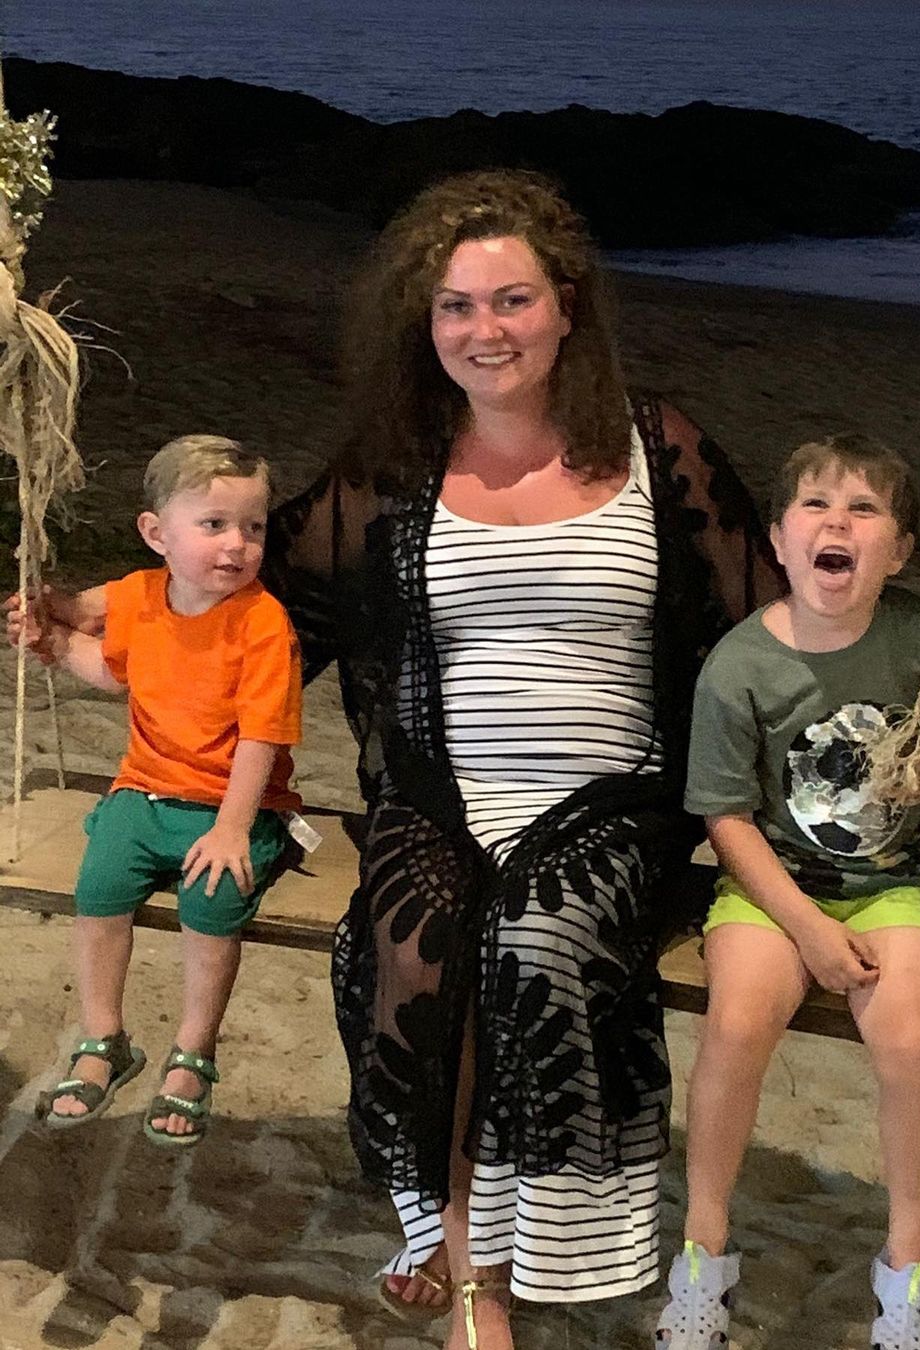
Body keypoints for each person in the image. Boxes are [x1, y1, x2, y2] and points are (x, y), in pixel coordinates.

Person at [261, 169, 783, 1350]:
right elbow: (268, 610)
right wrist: (105, 629)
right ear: (423, 322)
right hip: (438, 796)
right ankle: (453, 1251)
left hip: (615, 806)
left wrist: (915, 721)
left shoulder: (659, 448)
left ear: (566, 307)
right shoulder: (392, 467)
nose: (484, 331)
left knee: (534, 940)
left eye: (511, 301)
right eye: (455, 306)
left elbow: (772, 624)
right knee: (416, 940)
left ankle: (514, 1253)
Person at [657, 433, 920, 1350]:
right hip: (773, 887)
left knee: (907, 1034)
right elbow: (725, 820)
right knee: (737, 1023)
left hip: (891, 883)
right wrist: (806, 927)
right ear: (778, 540)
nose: (837, 523)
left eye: (864, 510)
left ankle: (906, 1271)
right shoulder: (740, 663)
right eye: (816, 506)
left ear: (895, 551)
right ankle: (702, 1252)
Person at [6, 436, 301, 1148]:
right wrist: (40, 615)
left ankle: (194, 1051)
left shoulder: (263, 623)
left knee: (213, 899)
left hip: (237, 800)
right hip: (143, 789)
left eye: (253, 528)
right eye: (214, 525)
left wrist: (233, 827)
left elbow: (262, 740)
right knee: (100, 887)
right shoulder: (139, 595)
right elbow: (83, 620)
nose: (237, 545)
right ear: (156, 533)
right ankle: (104, 1035)